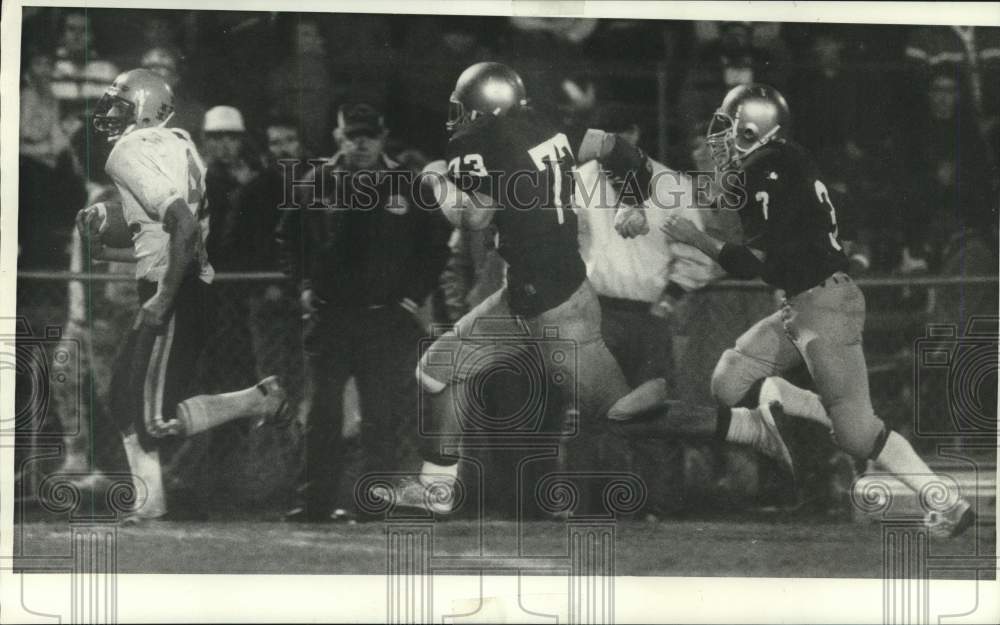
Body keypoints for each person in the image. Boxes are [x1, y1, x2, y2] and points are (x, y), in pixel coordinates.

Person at [376, 62, 823, 514]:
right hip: (542, 288)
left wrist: (435, 180)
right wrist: (631, 199)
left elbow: (473, 216)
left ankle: (748, 428)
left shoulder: (474, 142)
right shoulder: (547, 124)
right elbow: (612, 146)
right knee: (438, 367)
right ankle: (438, 486)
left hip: (550, 301)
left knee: (623, 415)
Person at [660, 83, 976, 538]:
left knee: (858, 436)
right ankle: (783, 397)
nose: (723, 139)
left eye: (730, 128)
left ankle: (948, 503)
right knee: (729, 377)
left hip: (824, 306)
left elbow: (757, 266)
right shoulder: (782, 161)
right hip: (805, 303)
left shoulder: (767, 169)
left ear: (754, 129)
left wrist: (697, 239)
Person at [76, 69, 288, 522]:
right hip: (184, 282)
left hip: (172, 289)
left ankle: (257, 399)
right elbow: (171, 233)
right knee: (122, 399)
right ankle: (148, 502)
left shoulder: (128, 151)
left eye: (121, 104)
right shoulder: (181, 142)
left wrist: (162, 297)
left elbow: (184, 227)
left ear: (145, 107)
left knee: (153, 417)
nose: (112, 115)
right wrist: (108, 235)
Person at [275, 103, 451, 522]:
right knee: (323, 413)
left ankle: (374, 503)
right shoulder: (316, 182)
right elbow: (288, 238)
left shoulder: (407, 185)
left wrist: (412, 296)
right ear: (338, 136)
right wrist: (301, 285)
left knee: (380, 415)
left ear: (383, 135)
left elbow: (436, 245)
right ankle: (315, 503)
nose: (361, 143)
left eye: (368, 135)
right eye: (353, 135)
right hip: (330, 316)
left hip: (384, 318)